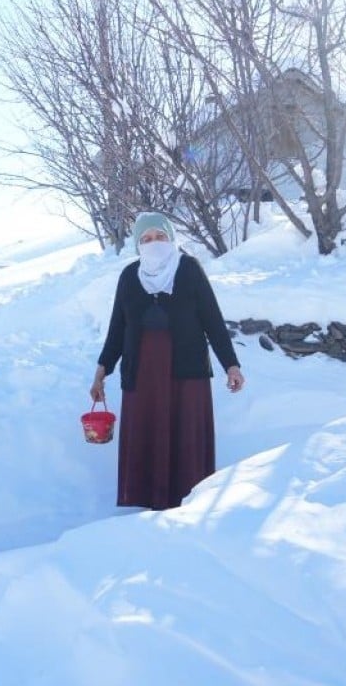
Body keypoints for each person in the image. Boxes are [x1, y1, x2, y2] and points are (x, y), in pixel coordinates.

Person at [90, 212, 246, 510]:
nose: (154, 244)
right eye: (146, 239)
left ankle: (188, 500)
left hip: (185, 372)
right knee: (148, 430)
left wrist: (231, 364)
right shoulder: (129, 276)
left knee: (184, 431)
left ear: (172, 238)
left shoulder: (188, 269)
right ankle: (148, 500)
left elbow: (212, 320)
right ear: (137, 244)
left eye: (160, 237)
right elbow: (117, 330)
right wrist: (101, 372)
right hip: (143, 375)